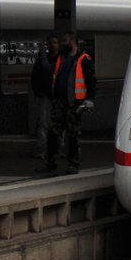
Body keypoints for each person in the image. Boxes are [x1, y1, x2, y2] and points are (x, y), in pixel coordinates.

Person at [40, 31, 96, 175]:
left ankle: (72, 164)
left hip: (74, 104)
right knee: (53, 134)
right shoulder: (61, 58)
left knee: (72, 136)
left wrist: (89, 99)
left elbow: (91, 81)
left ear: (73, 42)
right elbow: (48, 70)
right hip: (59, 102)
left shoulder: (83, 59)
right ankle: (50, 164)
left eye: (65, 41)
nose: (62, 44)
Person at [30, 35, 59, 159]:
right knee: (46, 123)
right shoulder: (60, 59)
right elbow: (35, 77)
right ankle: (45, 150)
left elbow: (38, 75)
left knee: (48, 123)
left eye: (54, 42)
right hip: (49, 95)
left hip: (53, 95)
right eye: (50, 43)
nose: (52, 45)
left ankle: (48, 150)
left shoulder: (45, 60)